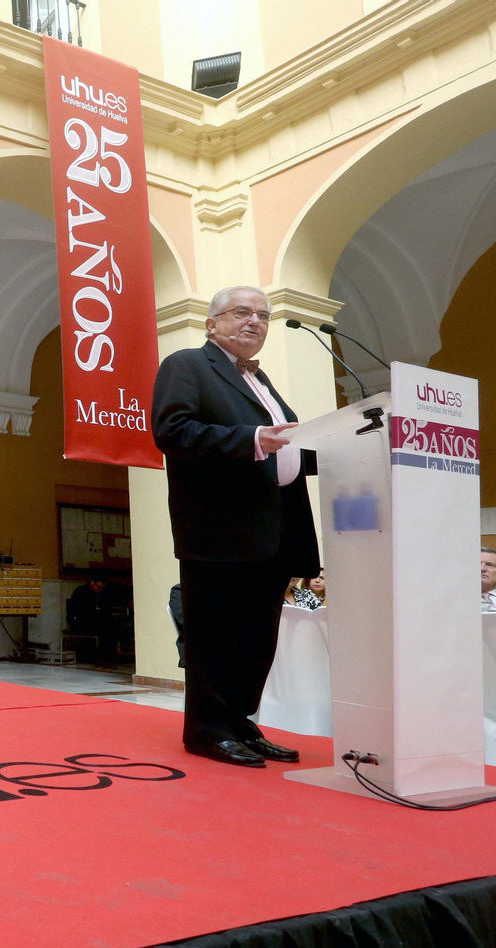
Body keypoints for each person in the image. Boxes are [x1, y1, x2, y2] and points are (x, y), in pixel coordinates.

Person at [152, 285, 320, 768]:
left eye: (263, 315)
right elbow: (173, 432)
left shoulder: (260, 380)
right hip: (220, 530)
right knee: (215, 635)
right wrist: (252, 439)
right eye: (242, 312)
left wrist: (336, 450)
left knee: (257, 639)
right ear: (212, 323)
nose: (255, 321)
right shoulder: (187, 365)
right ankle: (207, 730)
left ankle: (239, 722)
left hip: (275, 531)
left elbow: (285, 450)